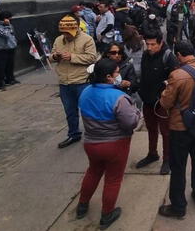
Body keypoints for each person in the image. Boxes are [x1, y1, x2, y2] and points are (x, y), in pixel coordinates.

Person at [75, 59, 141, 229]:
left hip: (91, 143)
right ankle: (107, 215)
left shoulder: (85, 92)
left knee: (93, 172)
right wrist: (136, 112)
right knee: (113, 179)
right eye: (117, 73)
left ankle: (82, 206)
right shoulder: (118, 97)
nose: (119, 75)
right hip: (115, 145)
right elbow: (130, 122)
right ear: (109, 77)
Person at [157, 41, 195, 219]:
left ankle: (178, 207)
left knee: (178, 167)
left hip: (180, 127)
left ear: (179, 55)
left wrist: (166, 88)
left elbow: (166, 103)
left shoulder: (177, 74)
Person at [50, 15, 98, 149]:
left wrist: (72, 57)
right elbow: (51, 56)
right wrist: (55, 56)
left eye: (69, 33)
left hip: (81, 81)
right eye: (64, 33)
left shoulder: (87, 39)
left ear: (76, 28)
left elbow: (92, 58)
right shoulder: (59, 40)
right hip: (64, 82)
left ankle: (93, 135)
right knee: (70, 111)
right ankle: (74, 134)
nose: (66, 35)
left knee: (88, 111)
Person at [137, 31, 178, 175]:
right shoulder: (145, 55)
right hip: (147, 100)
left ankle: (167, 159)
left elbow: (175, 78)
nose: (149, 47)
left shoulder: (168, 57)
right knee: (151, 129)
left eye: (153, 44)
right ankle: (152, 153)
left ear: (161, 43)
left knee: (166, 132)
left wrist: (164, 89)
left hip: (162, 103)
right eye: (147, 44)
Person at [0, 11, 19, 91]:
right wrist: (7, 25)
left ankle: (10, 80)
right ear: (4, 19)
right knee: (0, 67)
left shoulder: (9, 24)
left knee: (10, 65)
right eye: (9, 19)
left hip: (10, 47)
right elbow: (5, 34)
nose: (10, 21)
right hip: (1, 49)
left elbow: (12, 34)